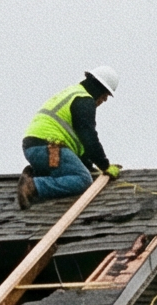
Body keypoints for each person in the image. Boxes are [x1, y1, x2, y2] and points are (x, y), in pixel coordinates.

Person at [18, 71, 117, 209]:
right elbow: (88, 137)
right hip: (50, 148)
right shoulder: (84, 100)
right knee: (82, 179)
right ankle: (34, 185)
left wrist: (90, 167)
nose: (104, 100)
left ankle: (37, 173)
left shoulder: (72, 93)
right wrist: (105, 165)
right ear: (99, 89)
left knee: (66, 173)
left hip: (36, 148)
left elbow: (79, 144)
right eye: (105, 95)